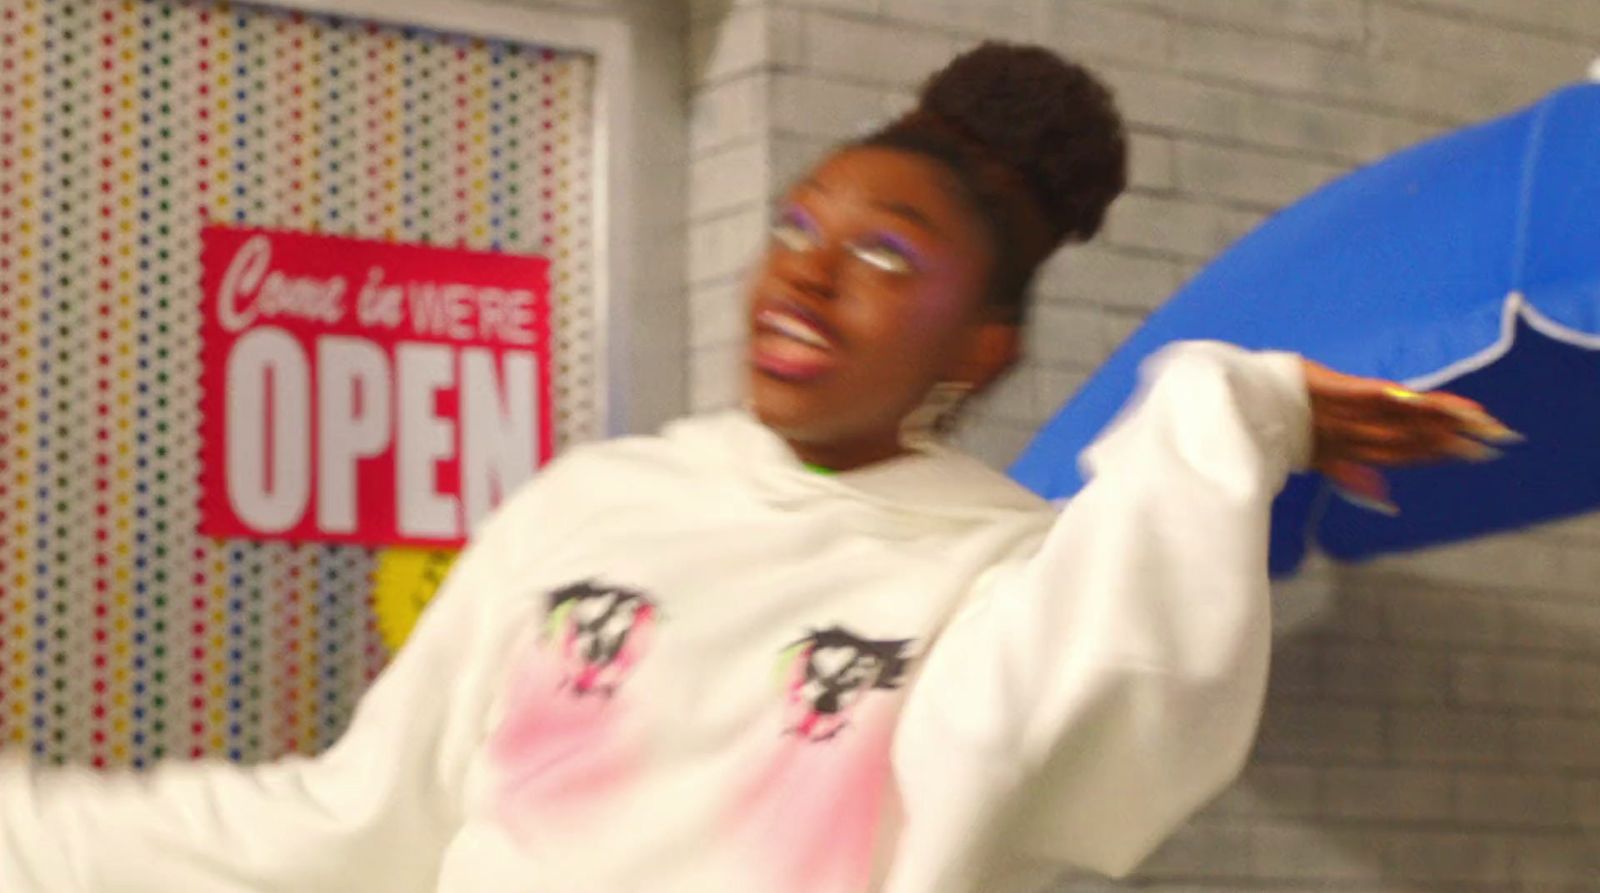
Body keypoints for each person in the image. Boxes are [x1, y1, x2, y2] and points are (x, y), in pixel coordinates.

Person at [0, 42, 1513, 893]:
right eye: (796, 225)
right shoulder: (598, 507)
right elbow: (351, 822)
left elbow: (1125, 703)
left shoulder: (992, 576)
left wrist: (1229, 408)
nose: (803, 278)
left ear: (976, 349)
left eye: (881, 256)